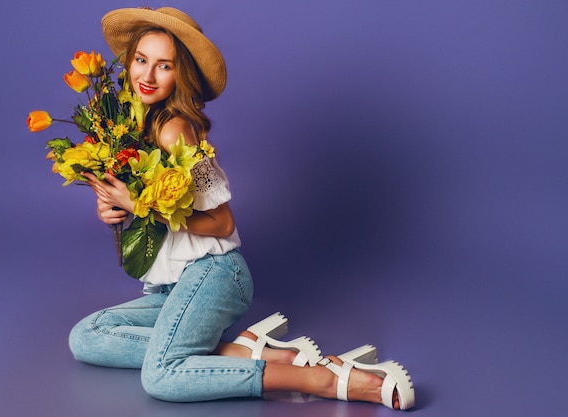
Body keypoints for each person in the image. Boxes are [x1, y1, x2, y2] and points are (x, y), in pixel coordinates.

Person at [68, 6, 415, 410]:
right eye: (141, 60)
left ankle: (324, 379)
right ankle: (250, 351)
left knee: (161, 375)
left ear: (181, 75)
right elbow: (152, 209)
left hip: (215, 273)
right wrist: (115, 209)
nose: (146, 76)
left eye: (164, 66)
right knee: (87, 335)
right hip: (173, 287)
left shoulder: (174, 128)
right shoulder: (132, 127)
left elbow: (221, 221)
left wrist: (139, 207)